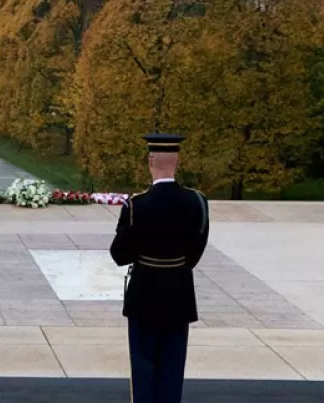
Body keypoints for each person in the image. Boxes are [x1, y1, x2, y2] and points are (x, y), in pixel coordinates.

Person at [110, 133, 209, 403]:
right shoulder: (197, 202)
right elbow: (196, 251)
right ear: (177, 162)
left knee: (143, 368)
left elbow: (119, 255)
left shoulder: (136, 205)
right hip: (179, 291)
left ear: (150, 160)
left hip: (145, 293)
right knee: (172, 369)